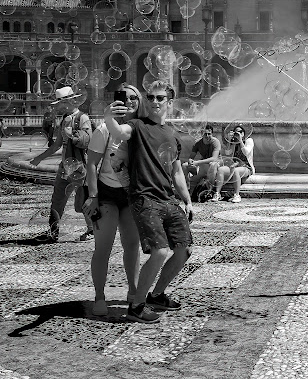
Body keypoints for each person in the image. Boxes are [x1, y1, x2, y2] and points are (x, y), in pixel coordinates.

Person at [104, 80, 193, 324]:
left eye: (160, 98)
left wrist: (187, 199)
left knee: (184, 250)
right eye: (151, 97)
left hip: (169, 199)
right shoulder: (137, 126)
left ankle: (157, 295)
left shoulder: (172, 137)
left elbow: (176, 172)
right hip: (145, 197)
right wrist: (108, 116)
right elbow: (119, 132)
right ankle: (136, 305)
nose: (155, 101)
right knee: (160, 251)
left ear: (169, 102)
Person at [83, 84, 144, 316]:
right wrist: (93, 196)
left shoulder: (141, 129)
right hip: (106, 194)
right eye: (123, 97)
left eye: (133, 98)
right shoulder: (103, 129)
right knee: (103, 248)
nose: (128, 102)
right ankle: (99, 295)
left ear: (140, 102)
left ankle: (133, 291)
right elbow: (91, 164)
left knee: (132, 246)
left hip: (130, 195)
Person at [30, 86, 93, 243]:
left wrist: (74, 136)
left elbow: (88, 140)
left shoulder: (82, 118)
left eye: (59, 102)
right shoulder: (64, 119)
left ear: (69, 101)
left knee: (83, 199)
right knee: (57, 198)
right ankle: (53, 231)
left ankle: (92, 230)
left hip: (79, 166)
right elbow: (56, 145)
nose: (57, 106)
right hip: (65, 167)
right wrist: (39, 158)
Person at [209, 124, 254, 203]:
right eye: (236, 132)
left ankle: (237, 195)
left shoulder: (248, 140)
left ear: (244, 133)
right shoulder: (234, 142)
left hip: (246, 167)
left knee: (236, 171)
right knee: (221, 170)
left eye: (240, 132)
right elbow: (227, 152)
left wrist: (240, 141)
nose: (238, 134)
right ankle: (217, 194)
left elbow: (246, 152)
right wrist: (229, 141)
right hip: (234, 165)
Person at [182, 124, 220, 199]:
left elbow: (214, 158)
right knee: (184, 165)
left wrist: (197, 162)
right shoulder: (197, 143)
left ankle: (210, 190)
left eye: (209, 134)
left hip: (217, 163)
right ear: (202, 134)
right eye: (205, 134)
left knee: (212, 164)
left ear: (212, 134)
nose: (207, 135)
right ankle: (187, 187)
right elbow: (191, 157)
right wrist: (190, 161)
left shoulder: (215, 142)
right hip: (203, 165)